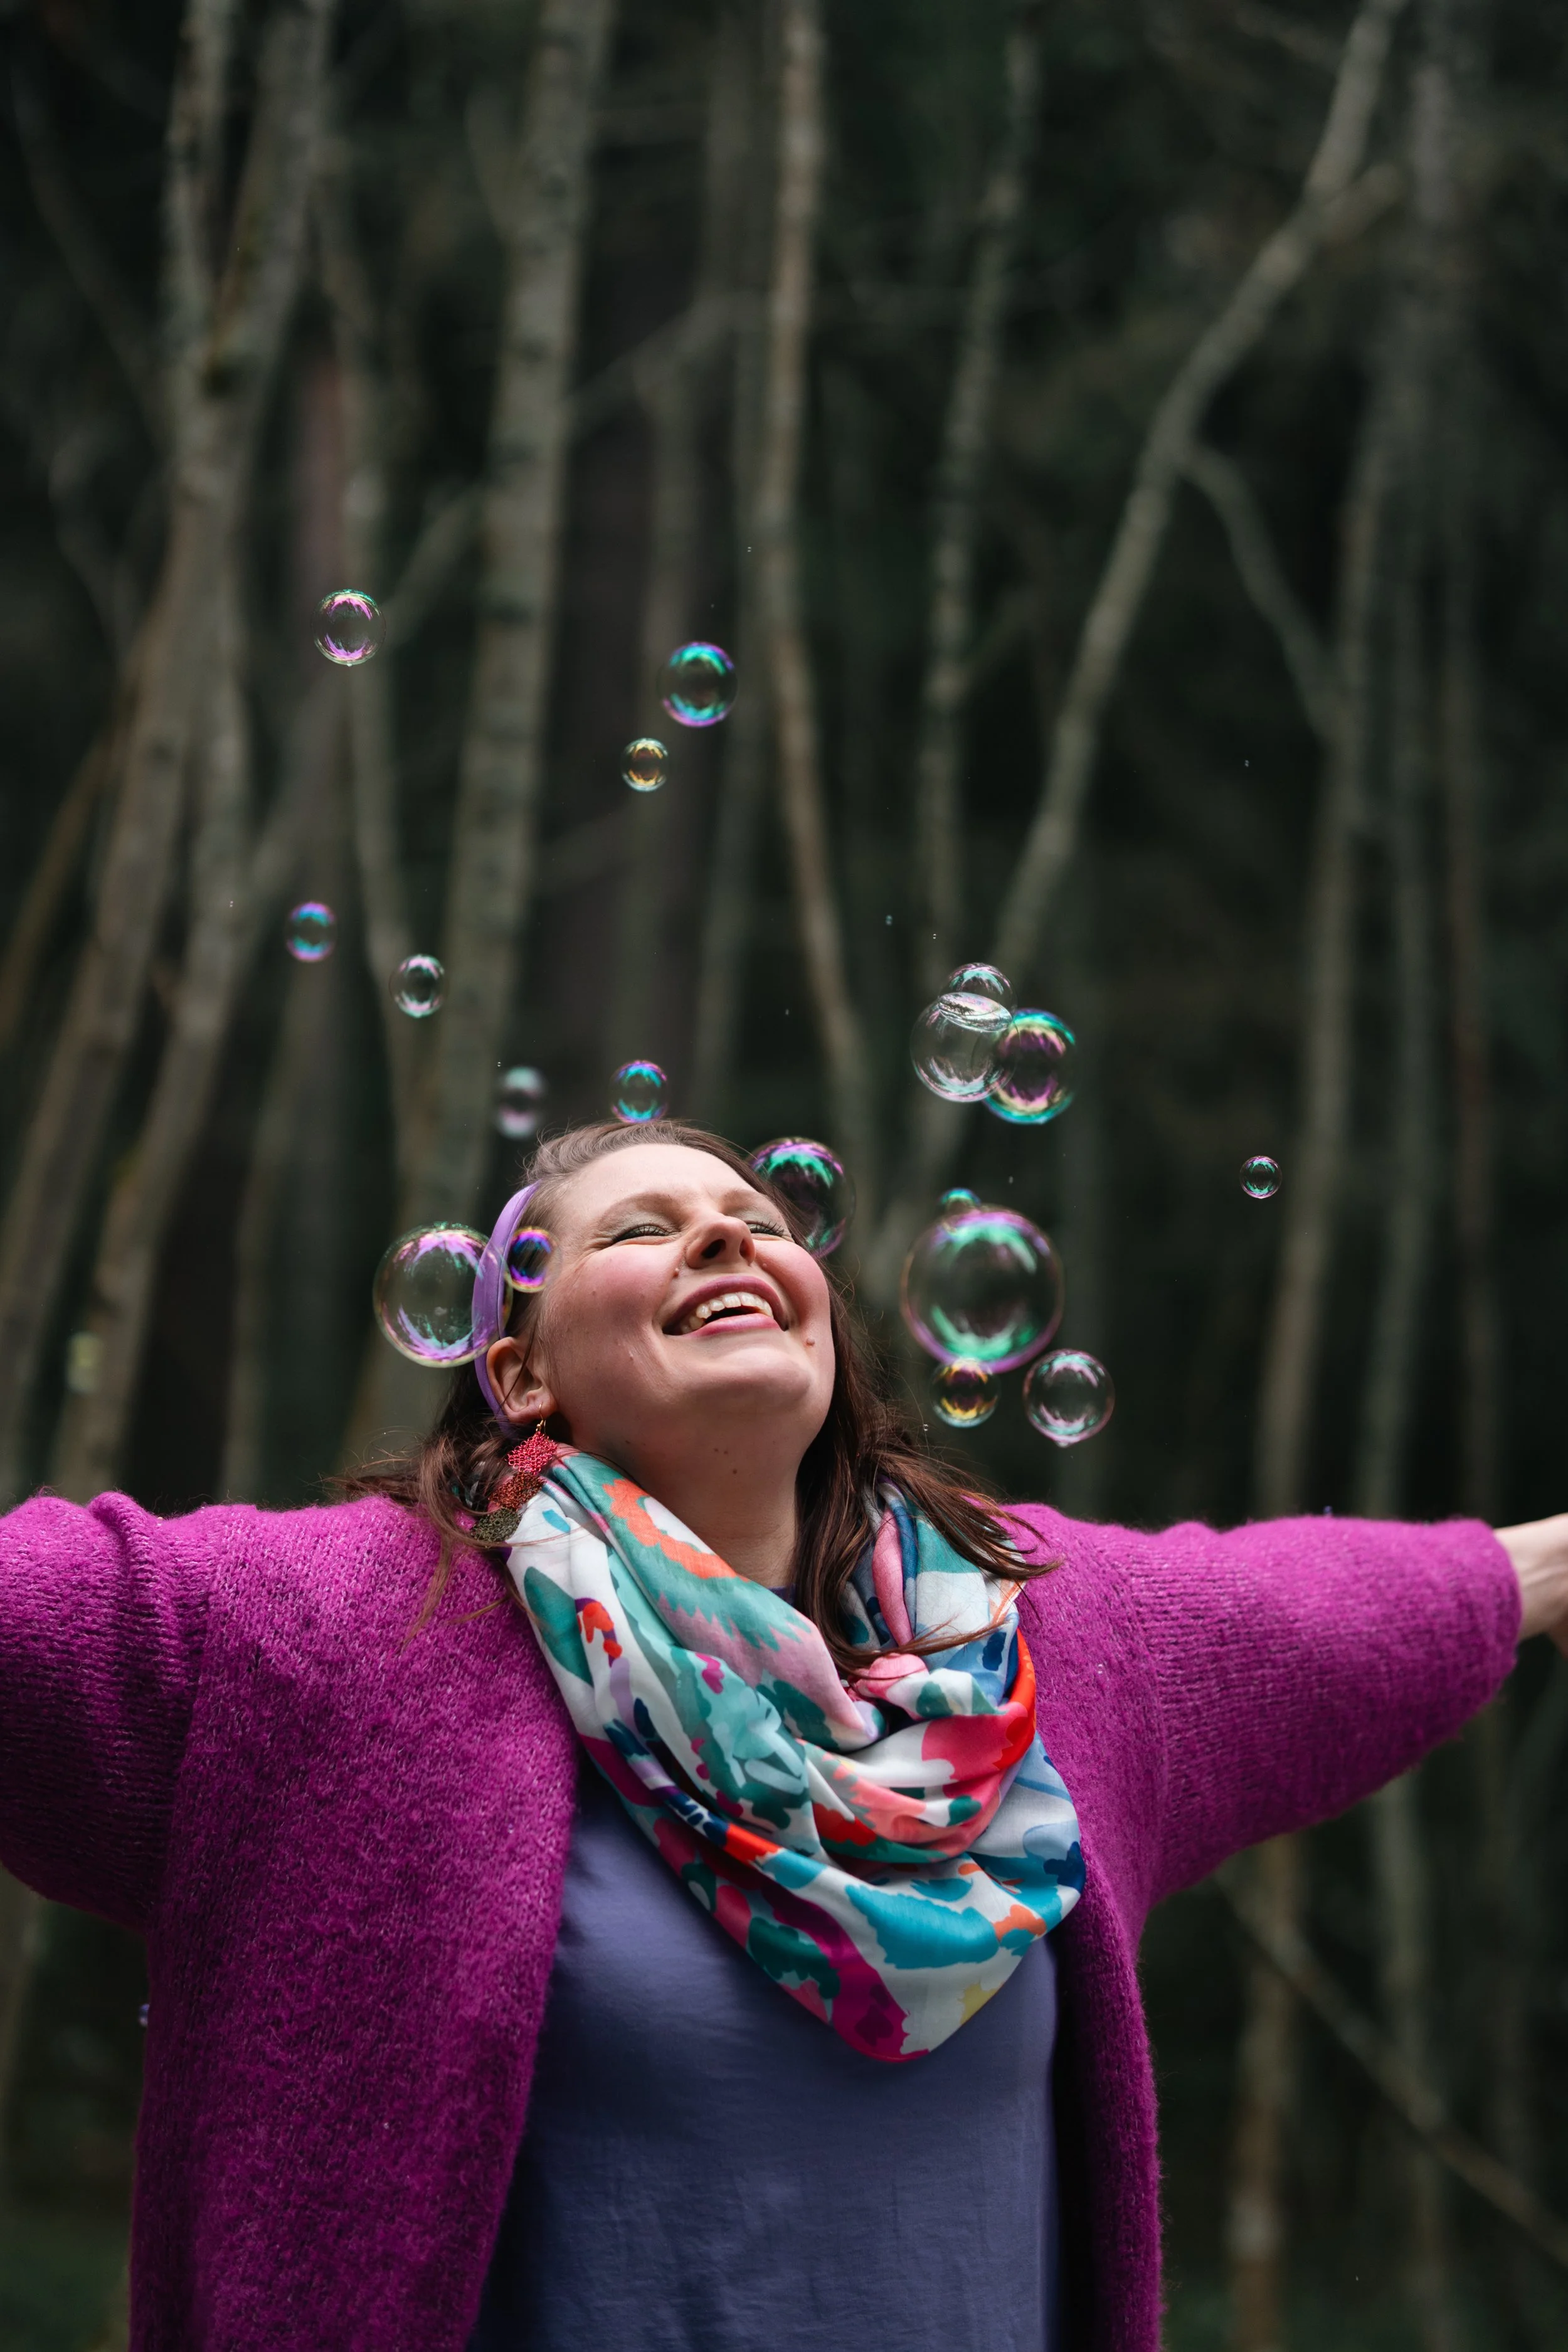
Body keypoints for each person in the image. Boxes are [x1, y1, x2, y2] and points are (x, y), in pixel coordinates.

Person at [2, 1118, 1565, 2352]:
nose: (723, 1236)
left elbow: (1311, 1615)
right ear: (518, 1372)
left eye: (751, 1217)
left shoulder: (1035, 1628)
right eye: (639, 1229)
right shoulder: (335, 1633)